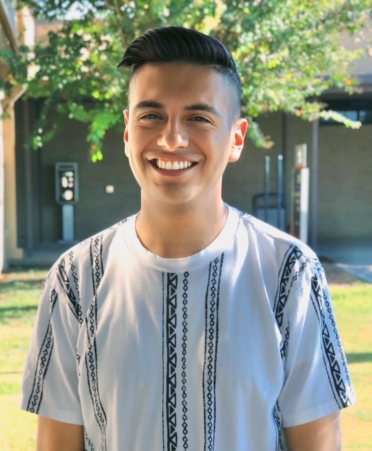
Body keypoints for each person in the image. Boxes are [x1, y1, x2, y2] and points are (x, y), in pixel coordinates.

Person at [20, 26, 355, 451]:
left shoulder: (289, 273)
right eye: (151, 116)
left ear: (235, 138)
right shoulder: (74, 279)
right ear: (127, 132)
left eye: (198, 117)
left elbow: (318, 444)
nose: (172, 138)